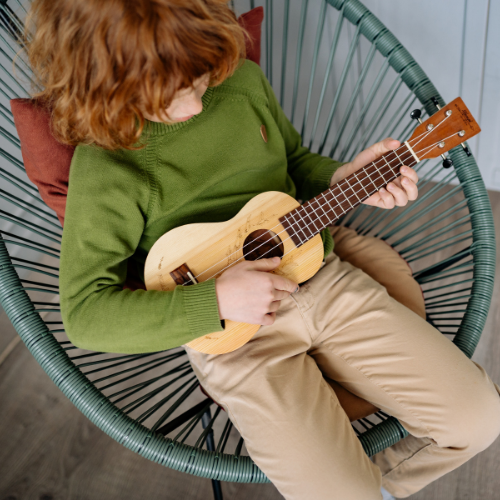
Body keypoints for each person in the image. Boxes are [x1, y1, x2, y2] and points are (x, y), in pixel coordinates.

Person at [25, 1, 500, 499]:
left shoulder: (241, 84)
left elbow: (291, 164)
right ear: (102, 82)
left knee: (480, 418)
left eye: (199, 77)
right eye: (166, 96)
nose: (193, 105)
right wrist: (215, 301)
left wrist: (343, 177)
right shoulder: (105, 170)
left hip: (324, 280)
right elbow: (84, 313)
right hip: (237, 341)